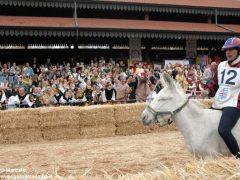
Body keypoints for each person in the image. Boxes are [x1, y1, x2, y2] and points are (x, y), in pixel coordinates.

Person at [203, 37, 240, 159]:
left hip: (234, 102)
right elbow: (215, 82)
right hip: (219, 101)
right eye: (226, 50)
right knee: (206, 124)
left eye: (231, 50)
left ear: (238, 51)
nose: (228, 53)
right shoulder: (221, 65)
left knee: (223, 129)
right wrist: (208, 89)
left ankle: (238, 156)